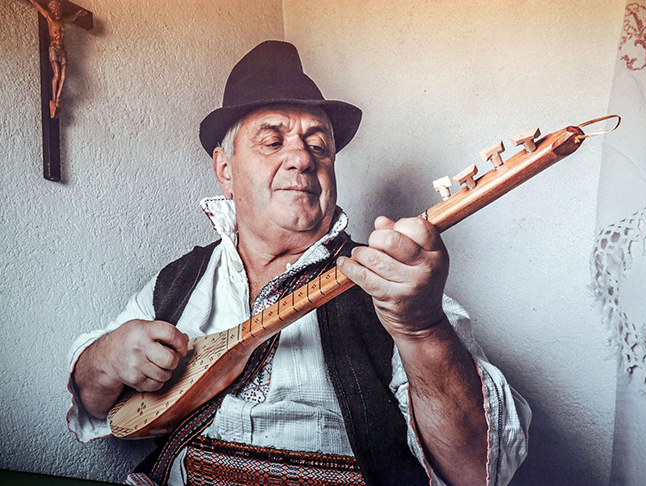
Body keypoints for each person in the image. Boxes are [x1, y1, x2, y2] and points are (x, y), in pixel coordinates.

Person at [66, 40, 530, 486]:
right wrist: (107, 358)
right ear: (225, 170)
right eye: (272, 142)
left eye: (319, 146)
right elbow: (93, 401)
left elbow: (479, 472)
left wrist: (422, 330)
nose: (302, 159)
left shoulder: (395, 285)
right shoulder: (177, 282)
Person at [27, 0, 86, 118]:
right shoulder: (50, 19)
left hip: (62, 50)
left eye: (59, 11)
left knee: (63, 76)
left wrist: (78, 14)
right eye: (56, 11)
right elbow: (39, 8)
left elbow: (71, 19)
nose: (58, 13)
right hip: (54, 49)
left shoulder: (62, 21)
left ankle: (57, 100)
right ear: (52, 11)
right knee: (57, 74)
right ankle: (53, 99)